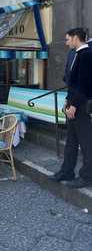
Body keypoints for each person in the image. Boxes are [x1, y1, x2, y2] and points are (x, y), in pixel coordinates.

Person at [50, 28, 92, 188]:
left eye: (68, 39)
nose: (66, 42)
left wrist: (73, 104)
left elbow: (84, 85)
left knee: (87, 144)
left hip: (81, 106)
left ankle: (87, 177)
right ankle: (67, 171)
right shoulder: (77, 53)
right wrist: (68, 102)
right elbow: (73, 83)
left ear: (76, 38)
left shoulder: (87, 54)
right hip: (73, 103)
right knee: (71, 142)